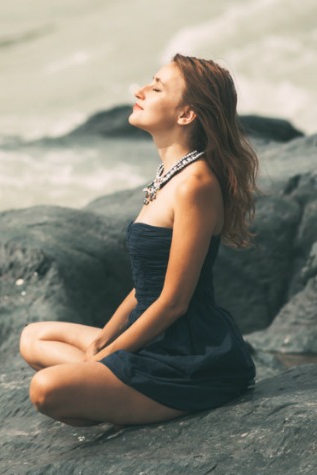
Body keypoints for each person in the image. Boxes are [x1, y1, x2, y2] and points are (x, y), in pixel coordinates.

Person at [18, 54, 258, 427]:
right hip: (147, 331)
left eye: (157, 87)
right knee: (33, 337)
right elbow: (145, 286)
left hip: (185, 349)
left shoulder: (196, 184)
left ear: (186, 114)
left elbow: (175, 302)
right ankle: (109, 382)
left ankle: (142, 389)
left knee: (45, 389)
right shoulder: (167, 175)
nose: (140, 90)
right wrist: (103, 344)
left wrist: (110, 354)